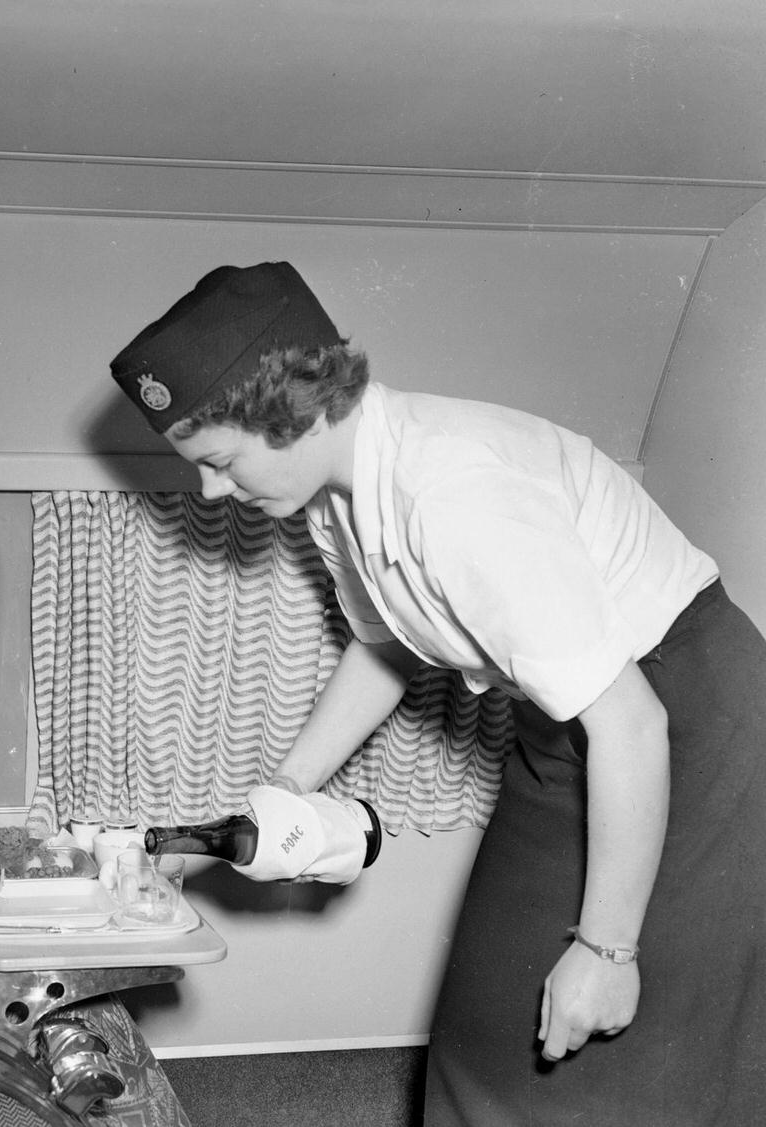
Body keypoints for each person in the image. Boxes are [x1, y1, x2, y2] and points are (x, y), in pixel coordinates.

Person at [108, 262, 766, 1125]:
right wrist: (275, 801)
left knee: (620, 1045)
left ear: (291, 410)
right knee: (493, 1014)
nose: (211, 490)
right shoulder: (335, 496)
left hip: (692, 728)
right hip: (568, 728)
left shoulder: (453, 495)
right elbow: (383, 650)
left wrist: (609, 949)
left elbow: (635, 724)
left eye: (220, 461)